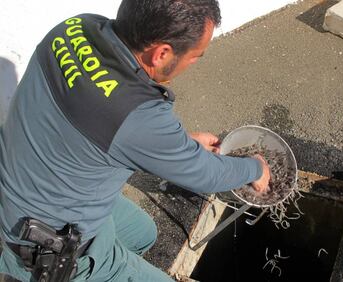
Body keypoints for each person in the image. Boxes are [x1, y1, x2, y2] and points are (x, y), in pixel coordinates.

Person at [0, 0, 271, 281]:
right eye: (195, 56)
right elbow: (207, 175)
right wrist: (256, 168)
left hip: (28, 184)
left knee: (142, 233)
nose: (194, 62)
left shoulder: (75, 28)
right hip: (46, 249)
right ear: (162, 53)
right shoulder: (137, 118)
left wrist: (179, 144)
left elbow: (106, 124)